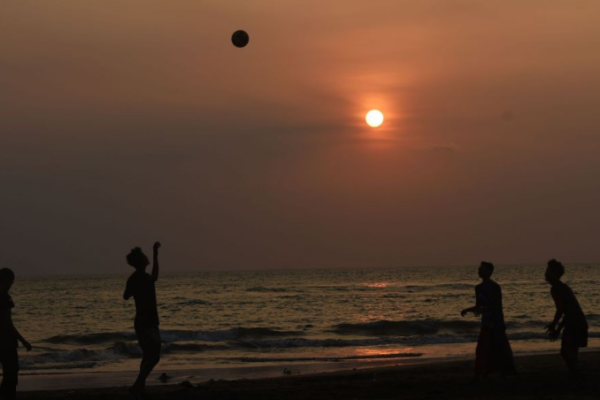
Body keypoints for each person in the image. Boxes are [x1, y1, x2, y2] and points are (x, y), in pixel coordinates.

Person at [461, 261, 515, 380]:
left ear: (489, 272)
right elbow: (478, 306)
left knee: (498, 347)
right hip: (485, 321)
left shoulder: (495, 287)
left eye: (482, 269)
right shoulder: (478, 288)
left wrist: (495, 320)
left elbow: (497, 305)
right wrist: (467, 310)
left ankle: (502, 372)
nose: (479, 271)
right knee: (483, 347)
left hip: (495, 321)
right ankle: (482, 372)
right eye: (479, 269)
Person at [124, 242, 162, 398]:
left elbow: (126, 295)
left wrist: (135, 289)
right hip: (147, 322)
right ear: (141, 261)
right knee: (154, 356)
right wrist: (155, 254)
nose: (147, 257)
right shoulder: (142, 277)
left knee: (147, 355)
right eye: (145, 256)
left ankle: (141, 388)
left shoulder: (134, 278)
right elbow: (155, 277)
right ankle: (137, 385)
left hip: (143, 321)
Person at [544, 259, 588, 379]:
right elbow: (566, 312)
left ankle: (574, 373)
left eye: (547, 271)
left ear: (553, 274)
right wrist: (557, 328)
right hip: (575, 322)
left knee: (567, 352)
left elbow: (561, 310)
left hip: (576, 323)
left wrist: (555, 325)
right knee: (569, 352)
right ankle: (574, 373)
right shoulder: (560, 287)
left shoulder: (557, 288)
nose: (545, 273)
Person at [0, 268, 32, 400]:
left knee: (9, 373)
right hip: (6, 341)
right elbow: (8, 322)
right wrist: (23, 340)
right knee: (11, 373)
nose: (10, 286)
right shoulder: (4, 297)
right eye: (9, 282)